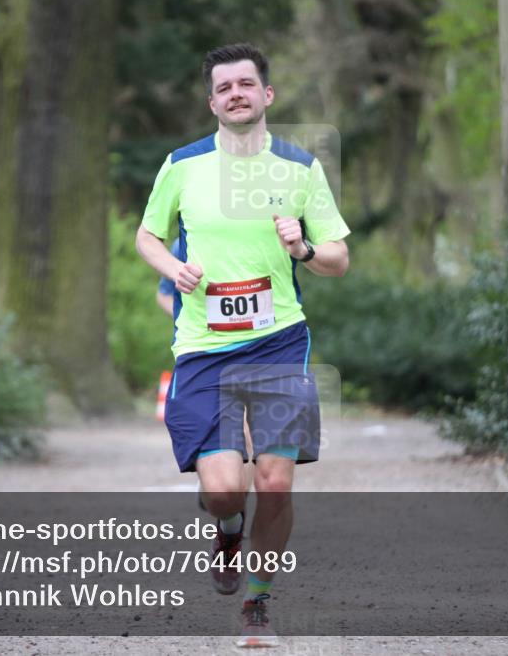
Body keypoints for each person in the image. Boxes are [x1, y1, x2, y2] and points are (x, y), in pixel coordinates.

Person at [135, 42, 350, 648]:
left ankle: (258, 599)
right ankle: (228, 527)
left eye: (246, 84)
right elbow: (148, 236)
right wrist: (171, 268)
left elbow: (338, 257)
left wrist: (304, 249)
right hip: (204, 347)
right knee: (225, 487)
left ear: (266, 95)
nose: (236, 93)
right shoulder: (181, 165)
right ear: (212, 102)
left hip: (279, 341)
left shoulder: (301, 168)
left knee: (275, 481)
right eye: (225, 87)